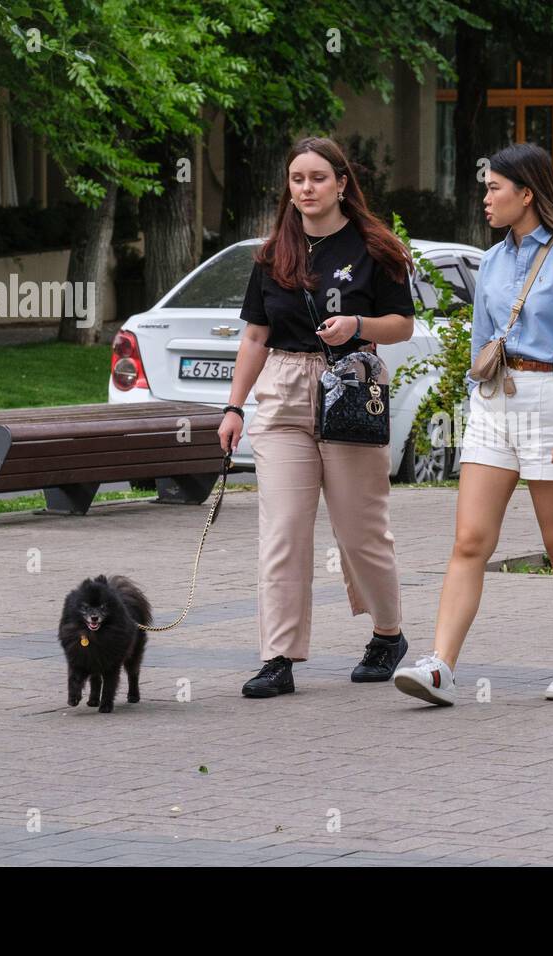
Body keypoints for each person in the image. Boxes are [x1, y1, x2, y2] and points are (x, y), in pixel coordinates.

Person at [392, 142, 553, 706]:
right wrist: (474, 406)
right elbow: (480, 341)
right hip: (494, 400)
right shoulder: (490, 261)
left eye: (494, 188)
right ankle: (440, 665)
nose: (484, 198)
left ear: (526, 194)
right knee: (469, 541)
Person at [217, 136, 416, 699]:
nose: (306, 188)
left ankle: (387, 634)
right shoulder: (271, 252)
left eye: (318, 178)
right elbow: (256, 334)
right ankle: (277, 656)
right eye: (297, 179)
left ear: (342, 184)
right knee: (282, 530)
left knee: (360, 529)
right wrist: (234, 406)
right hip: (282, 391)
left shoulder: (376, 248)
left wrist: (358, 326)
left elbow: (400, 323)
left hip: (349, 385)